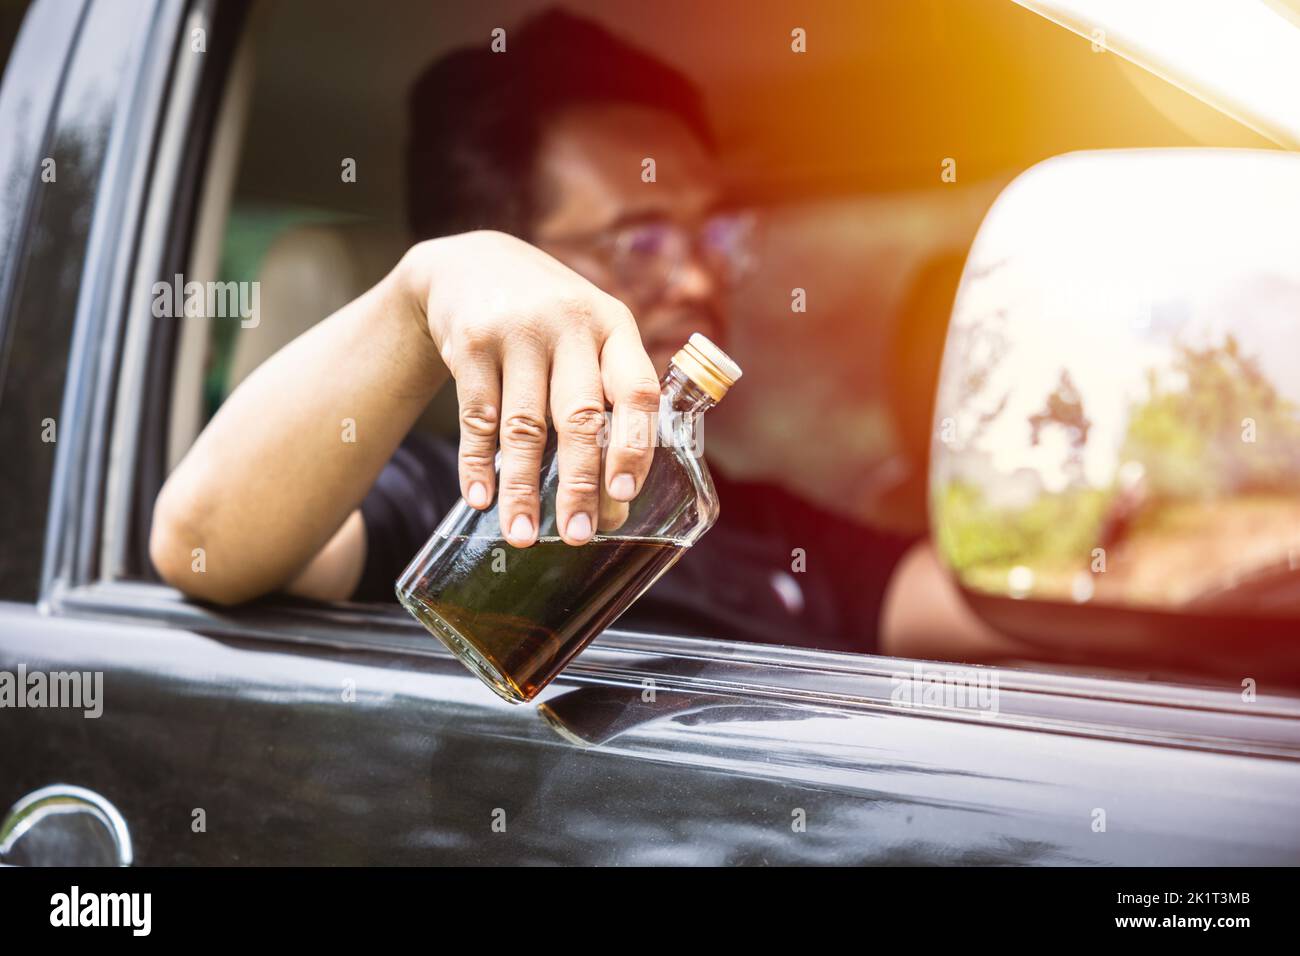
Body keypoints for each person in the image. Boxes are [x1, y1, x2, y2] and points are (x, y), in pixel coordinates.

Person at [151, 10, 923, 654]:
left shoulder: (755, 519)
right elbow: (204, 548)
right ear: (515, 261)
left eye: (713, 234)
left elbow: (978, 605)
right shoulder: (446, 496)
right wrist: (426, 290)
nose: (699, 280)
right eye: (641, 242)